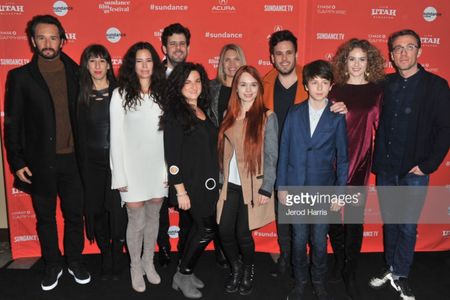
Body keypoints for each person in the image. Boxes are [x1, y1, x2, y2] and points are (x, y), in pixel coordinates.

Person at [4, 14, 90, 291]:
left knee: (75, 215)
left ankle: (74, 261)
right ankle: (53, 265)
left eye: (53, 37)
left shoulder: (78, 73)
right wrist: (16, 161)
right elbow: (12, 123)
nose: (47, 42)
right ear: (32, 41)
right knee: (45, 218)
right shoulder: (19, 77)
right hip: (40, 163)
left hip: (74, 161)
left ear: (63, 41)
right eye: (41, 37)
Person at [369, 29, 450, 300]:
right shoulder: (384, 84)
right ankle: (391, 267)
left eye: (409, 47)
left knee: (406, 225)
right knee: (390, 222)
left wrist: (428, 165)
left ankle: (401, 274)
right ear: (391, 55)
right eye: (398, 49)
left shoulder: (436, 86)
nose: (403, 53)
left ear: (419, 51)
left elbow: (445, 129)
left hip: (414, 171)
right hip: (387, 167)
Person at [263, 29, 347, 277]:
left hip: (312, 169)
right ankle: (286, 258)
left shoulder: (311, 78)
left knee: (314, 233)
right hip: (279, 161)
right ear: (272, 58)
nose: (284, 58)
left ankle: (312, 270)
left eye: (289, 52)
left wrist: (341, 105)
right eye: (279, 54)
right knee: (284, 220)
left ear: (296, 54)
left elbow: (327, 96)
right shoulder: (265, 84)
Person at [277, 60, 349, 300]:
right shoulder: (294, 112)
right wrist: (282, 187)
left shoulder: (337, 116)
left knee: (319, 242)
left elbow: (343, 158)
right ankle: (300, 283)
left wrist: (340, 193)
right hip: (295, 188)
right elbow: (284, 149)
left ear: (331, 86)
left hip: (323, 190)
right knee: (298, 241)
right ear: (306, 85)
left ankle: (318, 282)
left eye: (324, 83)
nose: (319, 87)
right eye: (314, 82)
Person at [328, 38, 385, 299]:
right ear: (344, 62)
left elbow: (383, 129)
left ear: (369, 62)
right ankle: (339, 261)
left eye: (362, 59)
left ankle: (350, 272)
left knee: (353, 220)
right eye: (352, 59)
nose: (357, 64)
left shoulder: (377, 92)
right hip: (333, 162)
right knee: (332, 219)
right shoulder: (335, 90)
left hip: (361, 163)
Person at [109, 42, 167, 293]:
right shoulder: (120, 94)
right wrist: (118, 173)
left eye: (149, 60)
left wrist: (168, 171)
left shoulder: (164, 93)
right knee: (136, 221)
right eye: (139, 61)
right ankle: (135, 266)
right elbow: (116, 138)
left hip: (158, 167)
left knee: (154, 218)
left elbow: (169, 136)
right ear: (132, 65)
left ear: (155, 64)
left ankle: (148, 262)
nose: (144, 66)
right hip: (131, 169)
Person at [217, 65, 278, 295]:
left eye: (253, 85)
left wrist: (267, 188)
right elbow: (223, 153)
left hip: (253, 187)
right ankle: (236, 267)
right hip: (230, 186)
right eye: (243, 84)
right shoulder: (228, 114)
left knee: (243, 233)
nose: (248, 90)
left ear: (259, 88)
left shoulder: (267, 116)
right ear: (236, 88)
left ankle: (248, 268)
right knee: (224, 231)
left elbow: (272, 156)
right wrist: (221, 182)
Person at [160, 62, 218, 299]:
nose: (193, 86)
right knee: (206, 229)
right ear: (178, 86)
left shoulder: (202, 109)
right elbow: (172, 157)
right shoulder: (176, 114)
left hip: (208, 184)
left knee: (199, 228)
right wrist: (180, 191)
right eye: (187, 82)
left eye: (197, 81)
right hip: (191, 187)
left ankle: (185, 271)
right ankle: (182, 274)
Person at [77, 44, 127, 280]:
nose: (97, 66)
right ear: (86, 65)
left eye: (101, 60)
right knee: (96, 212)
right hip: (90, 165)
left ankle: (117, 255)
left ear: (109, 64)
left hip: (117, 164)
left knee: (117, 213)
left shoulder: (122, 92)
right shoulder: (79, 94)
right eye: (92, 61)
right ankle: (106, 254)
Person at [157, 22, 191, 267]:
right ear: (164, 47)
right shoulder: (151, 76)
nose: (178, 48)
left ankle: (188, 249)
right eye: (173, 44)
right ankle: (164, 247)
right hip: (156, 148)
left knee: (187, 199)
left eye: (182, 44)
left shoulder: (194, 75)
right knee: (158, 201)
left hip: (185, 150)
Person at [209, 44, 247, 126]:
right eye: (227, 60)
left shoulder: (250, 89)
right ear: (222, 64)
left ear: (242, 62)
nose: (232, 63)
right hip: (215, 137)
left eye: (236, 59)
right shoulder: (210, 88)